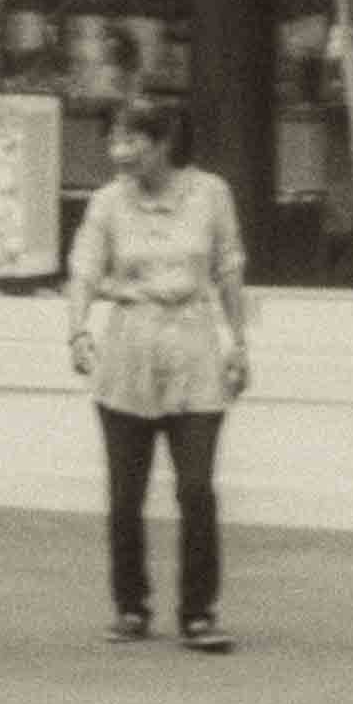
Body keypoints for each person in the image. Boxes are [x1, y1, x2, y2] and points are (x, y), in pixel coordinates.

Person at [69, 102, 256, 653]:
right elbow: (84, 267)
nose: (120, 152)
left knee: (196, 488)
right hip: (129, 346)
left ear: (162, 142)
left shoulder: (211, 194)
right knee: (125, 493)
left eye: (132, 141)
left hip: (193, 345)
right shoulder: (107, 203)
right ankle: (131, 606)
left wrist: (239, 341)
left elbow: (229, 267)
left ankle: (199, 612)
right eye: (114, 141)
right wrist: (77, 329)